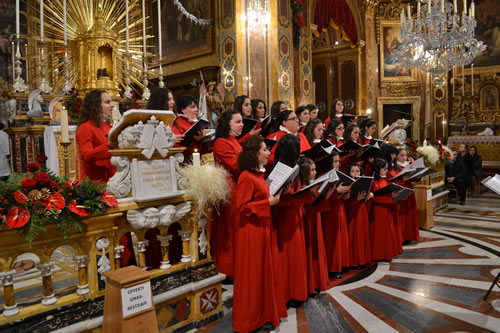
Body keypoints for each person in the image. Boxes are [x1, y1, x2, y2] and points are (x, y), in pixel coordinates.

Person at [232, 136, 286, 333]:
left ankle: (264, 314)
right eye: (265, 150)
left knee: (264, 272)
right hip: (251, 232)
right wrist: (268, 203)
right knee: (253, 274)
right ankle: (250, 320)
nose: (268, 153)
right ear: (255, 153)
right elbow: (242, 207)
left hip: (262, 227)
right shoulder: (246, 176)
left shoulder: (258, 175)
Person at [271, 135, 308, 308]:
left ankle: (297, 291)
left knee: (296, 255)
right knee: (288, 255)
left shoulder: (294, 167)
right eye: (297, 148)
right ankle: (287, 293)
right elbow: (276, 200)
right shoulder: (277, 169)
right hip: (285, 218)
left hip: (294, 214)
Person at [210, 110, 244, 278]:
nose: (242, 124)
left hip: (239, 188)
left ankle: (238, 267)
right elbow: (236, 166)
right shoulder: (221, 143)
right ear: (227, 124)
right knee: (229, 231)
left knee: (237, 230)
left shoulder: (234, 141)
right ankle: (228, 269)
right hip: (230, 191)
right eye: (238, 121)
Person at [76, 89, 116, 182]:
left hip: (113, 179)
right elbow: (86, 155)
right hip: (96, 183)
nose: (112, 105)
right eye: (107, 102)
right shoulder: (85, 127)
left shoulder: (108, 127)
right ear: (96, 106)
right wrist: (109, 146)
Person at [322, 151, 350, 278]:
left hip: (340, 208)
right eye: (335, 161)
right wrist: (336, 192)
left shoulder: (340, 175)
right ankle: (332, 267)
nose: (338, 164)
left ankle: (340, 265)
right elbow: (323, 197)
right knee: (332, 240)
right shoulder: (325, 176)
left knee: (340, 238)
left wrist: (345, 193)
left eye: (339, 161)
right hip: (329, 211)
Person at [370, 158, 400, 261]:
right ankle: (379, 255)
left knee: (386, 233)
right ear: (378, 169)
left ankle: (386, 253)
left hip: (387, 209)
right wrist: (391, 199)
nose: (387, 171)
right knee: (380, 233)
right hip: (378, 210)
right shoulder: (374, 182)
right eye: (385, 169)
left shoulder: (385, 180)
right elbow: (375, 198)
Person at [344, 163, 372, 268]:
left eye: (357, 171)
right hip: (352, 213)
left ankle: (363, 259)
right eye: (353, 171)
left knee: (363, 235)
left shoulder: (363, 181)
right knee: (354, 237)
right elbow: (345, 204)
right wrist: (356, 200)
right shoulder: (346, 184)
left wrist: (369, 195)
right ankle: (355, 261)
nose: (355, 174)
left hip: (362, 211)